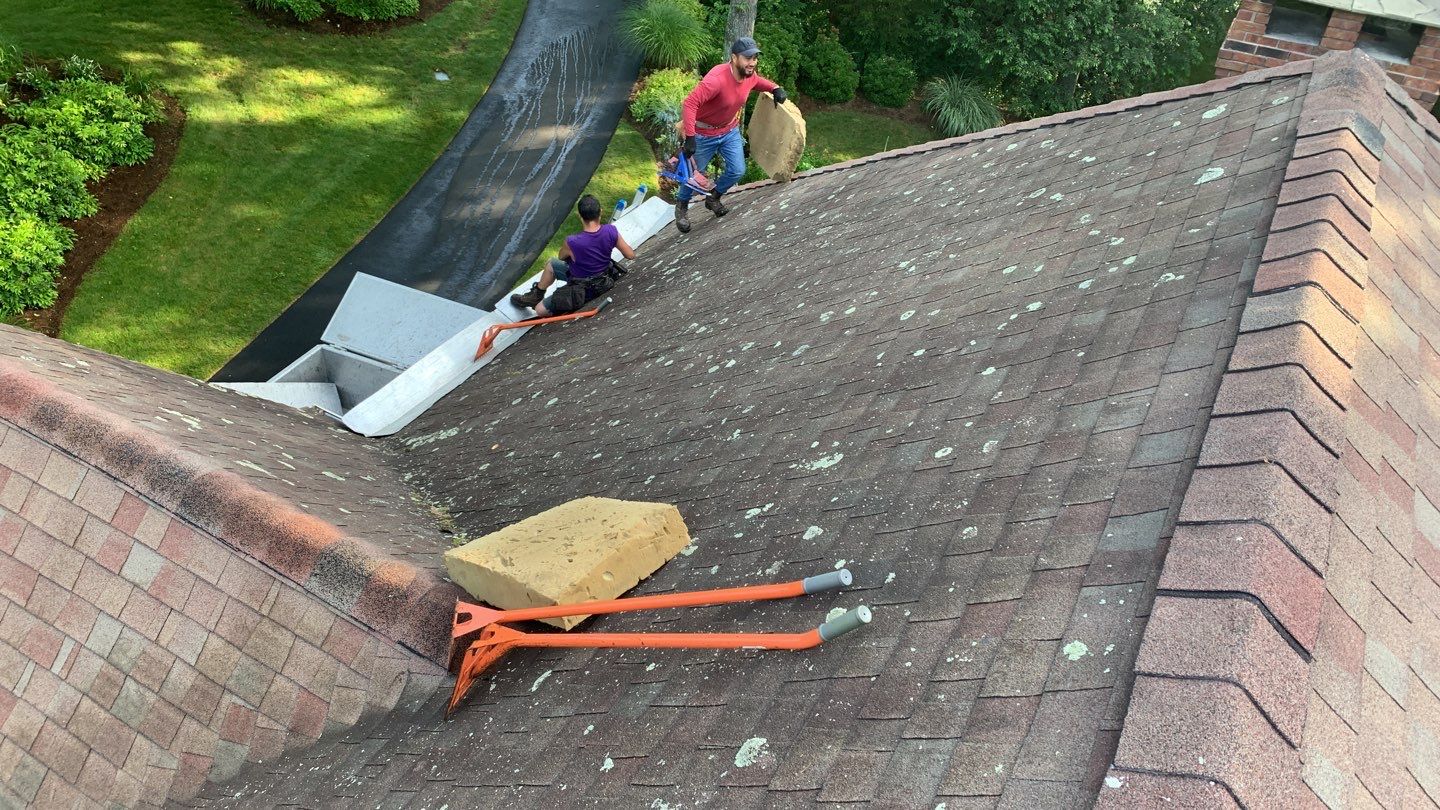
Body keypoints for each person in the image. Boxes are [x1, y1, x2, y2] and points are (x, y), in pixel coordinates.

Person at [674, 36, 787, 234]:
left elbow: (757, 82)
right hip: (703, 134)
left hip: (728, 131)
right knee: (691, 177)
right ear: (734, 58)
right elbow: (690, 103)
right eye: (747, 58)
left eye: (754, 58)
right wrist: (690, 137)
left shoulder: (748, 75)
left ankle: (714, 197)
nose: (752, 62)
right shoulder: (716, 80)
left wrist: (775, 88)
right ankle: (682, 207)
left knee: (737, 170)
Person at [511, 195, 636, 316]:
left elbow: (561, 257)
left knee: (539, 310)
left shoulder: (572, 242)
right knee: (551, 264)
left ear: (580, 216)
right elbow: (630, 255)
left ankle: (543, 299)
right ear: (600, 212)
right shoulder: (611, 230)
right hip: (604, 280)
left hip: (582, 289)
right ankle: (535, 295)